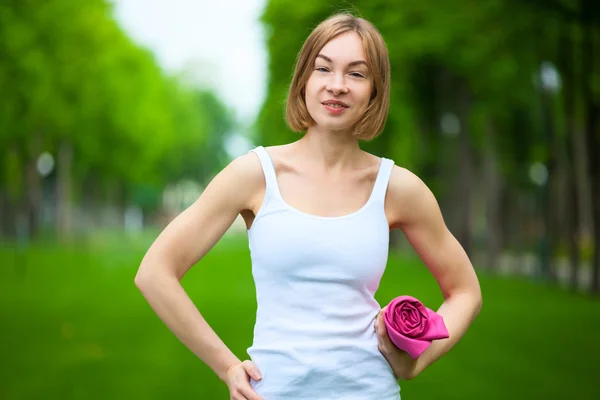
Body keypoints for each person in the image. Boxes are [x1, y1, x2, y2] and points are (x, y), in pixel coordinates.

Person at [135, 12, 482, 400]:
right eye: (323, 69)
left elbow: (465, 291)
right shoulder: (255, 174)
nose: (337, 86)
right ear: (303, 80)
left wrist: (416, 360)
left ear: (375, 91)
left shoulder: (397, 188)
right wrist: (227, 366)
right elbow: (155, 272)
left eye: (356, 73)